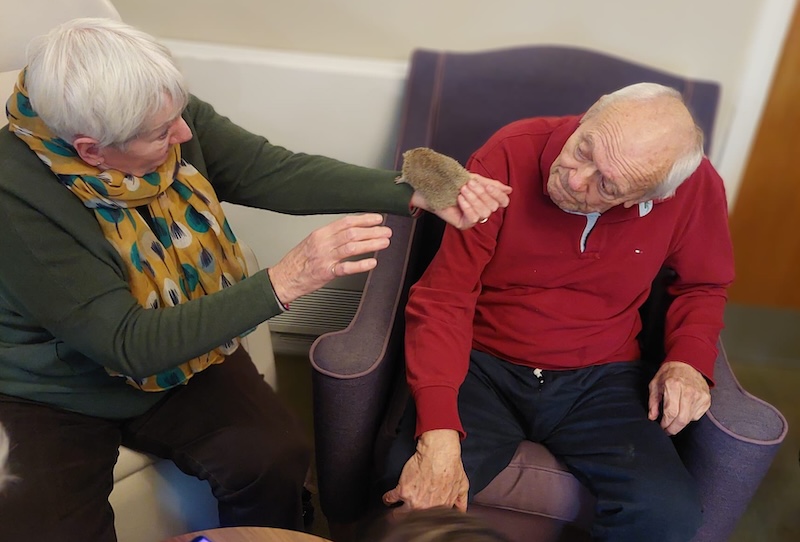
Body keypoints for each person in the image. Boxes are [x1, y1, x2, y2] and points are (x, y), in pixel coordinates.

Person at [0, 17, 511, 541]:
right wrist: (284, 282)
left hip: (184, 355)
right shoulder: (15, 201)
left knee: (274, 458)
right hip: (58, 390)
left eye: (179, 115)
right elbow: (128, 343)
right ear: (92, 150)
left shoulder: (158, 112)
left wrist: (413, 192)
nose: (185, 134)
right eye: (162, 134)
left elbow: (270, 171)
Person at [379, 83, 734, 541]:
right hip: (481, 363)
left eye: (607, 184)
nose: (574, 178)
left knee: (668, 514)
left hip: (602, 375)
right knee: (410, 492)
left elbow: (703, 283)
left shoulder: (694, 187)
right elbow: (446, 296)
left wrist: (687, 360)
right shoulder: (508, 152)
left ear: (647, 198)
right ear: (587, 117)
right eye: (583, 149)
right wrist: (439, 430)